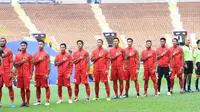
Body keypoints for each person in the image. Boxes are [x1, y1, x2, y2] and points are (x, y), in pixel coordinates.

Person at [14, 41, 32, 107]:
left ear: (26, 46)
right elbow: (15, 64)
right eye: (21, 45)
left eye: (24, 45)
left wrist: (30, 75)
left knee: (27, 88)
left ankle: (28, 102)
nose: (22, 46)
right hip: (19, 74)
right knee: (21, 89)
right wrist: (22, 61)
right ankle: (23, 102)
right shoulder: (17, 55)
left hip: (26, 75)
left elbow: (31, 66)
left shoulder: (29, 56)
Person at [33, 40, 51, 106]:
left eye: (41, 44)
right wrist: (39, 60)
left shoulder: (46, 54)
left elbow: (48, 64)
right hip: (37, 73)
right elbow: (33, 63)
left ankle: (47, 100)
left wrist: (47, 73)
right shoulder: (35, 54)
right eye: (39, 44)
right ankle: (38, 100)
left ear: (43, 45)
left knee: (46, 87)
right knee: (37, 87)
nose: (40, 45)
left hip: (44, 73)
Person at [0, 37, 15, 108]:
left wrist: (10, 71)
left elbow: (11, 61)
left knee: (10, 87)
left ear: (6, 42)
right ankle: (0, 103)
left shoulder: (9, 51)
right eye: (1, 41)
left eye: (3, 41)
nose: (2, 42)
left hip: (7, 71)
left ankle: (12, 103)